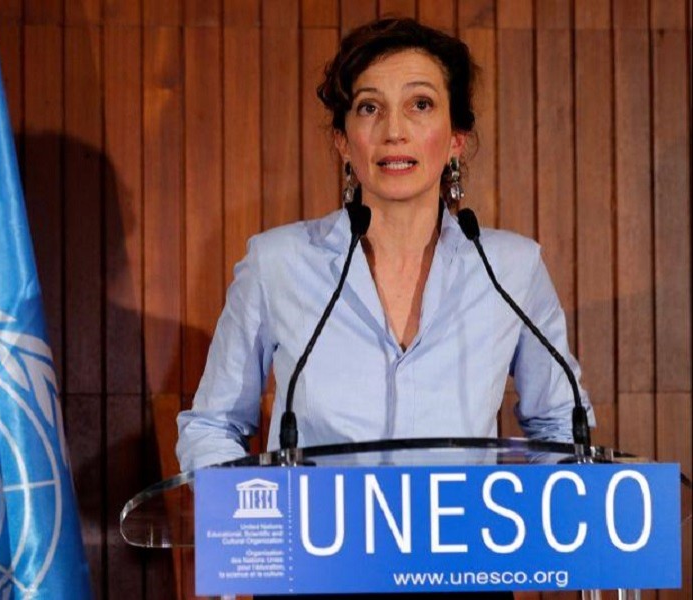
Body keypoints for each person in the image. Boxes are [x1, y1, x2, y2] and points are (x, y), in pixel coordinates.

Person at [176, 17, 595, 475]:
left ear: (456, 139)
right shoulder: (276, 263)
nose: (394, 130)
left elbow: (560, 425)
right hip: (315, 541)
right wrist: (259, 524)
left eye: (420, 104)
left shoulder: (512, 269)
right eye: (369, 108)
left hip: (460, 542)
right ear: (343, 141)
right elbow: (212, 427)